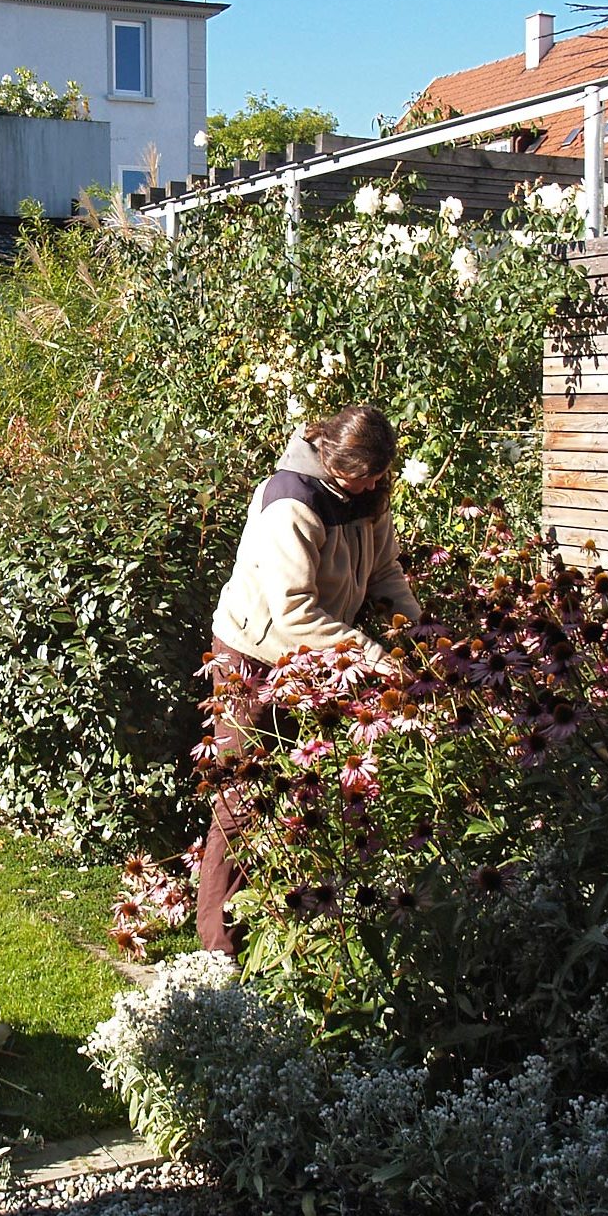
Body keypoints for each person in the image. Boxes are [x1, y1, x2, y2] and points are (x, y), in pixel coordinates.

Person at [198, 404, 421, 955]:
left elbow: (385, 570)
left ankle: (286, 928)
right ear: (332, 461)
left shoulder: (369, 491)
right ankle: (217, 949)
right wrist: (372, 654)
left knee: (314, 786)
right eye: (363, 475)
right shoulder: (290, 502)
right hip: (252, 655)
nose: (373, 484)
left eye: (379, 475)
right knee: (242, 794)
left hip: (319, 657)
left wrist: (417, 632)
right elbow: (293, 612)